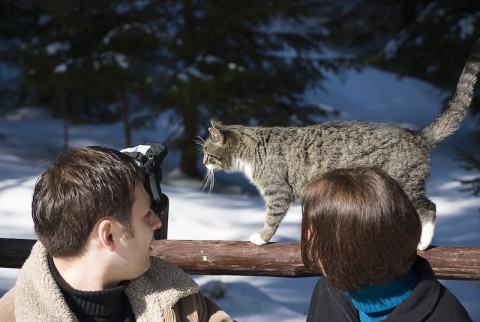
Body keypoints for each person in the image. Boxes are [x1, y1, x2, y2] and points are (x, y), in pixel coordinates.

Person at [0, 146, 233, 322]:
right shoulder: (12, 316)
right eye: (146, 215)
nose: (156, 222)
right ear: (108, 235)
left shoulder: (181, 304)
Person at [300, 167, 472, 322]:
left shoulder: (444, 315)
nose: (307, 238)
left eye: (316, 229)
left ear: (356, 246)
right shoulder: (329, 291)